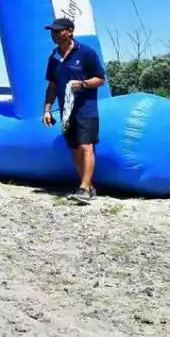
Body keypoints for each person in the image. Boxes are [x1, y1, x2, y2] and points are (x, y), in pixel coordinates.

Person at [42, 17, 106, 205]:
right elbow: (52, 86)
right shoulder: (53, 58)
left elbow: (101, 79)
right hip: (66, 111)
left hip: (86, 109)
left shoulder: (86, 53)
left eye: (57, 31)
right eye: (52, 31)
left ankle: (84, 188)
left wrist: (84, 84)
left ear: (69, 31)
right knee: (75, 149)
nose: (53, 34)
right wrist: (47, 110)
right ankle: (88, 185)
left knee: (86, 146)